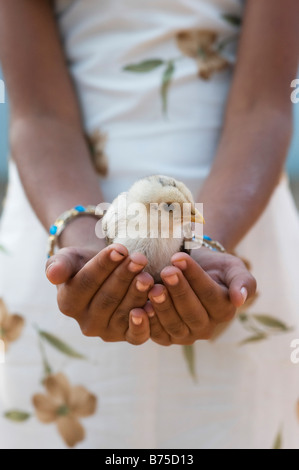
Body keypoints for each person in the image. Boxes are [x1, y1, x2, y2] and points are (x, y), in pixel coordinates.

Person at [0, 0, 298, 449]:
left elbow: (264, 106)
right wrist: (78, 232)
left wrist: (207, 241)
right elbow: (39, 113)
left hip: (239, 218)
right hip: (60, 208)